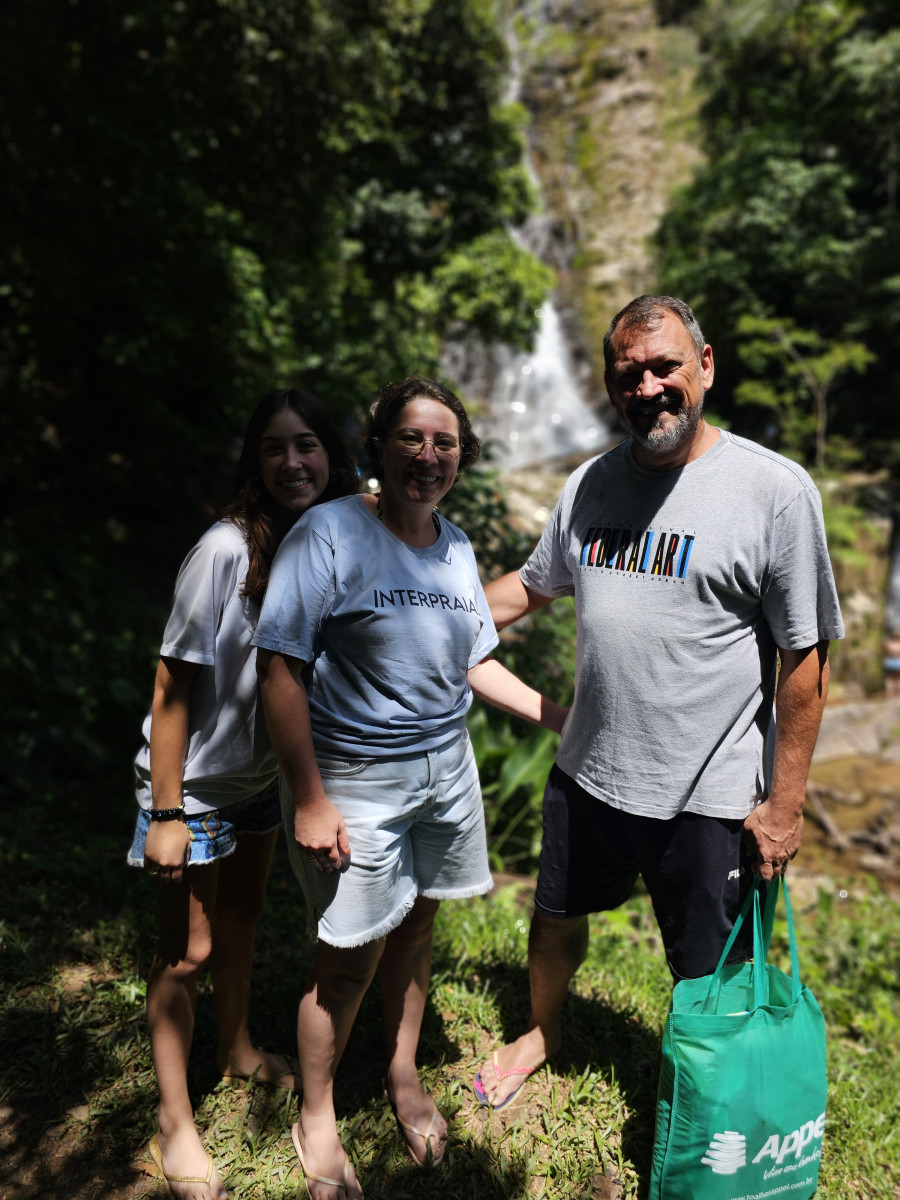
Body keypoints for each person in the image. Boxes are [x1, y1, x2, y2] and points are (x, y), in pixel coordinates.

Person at [473, 295, 844, 1110]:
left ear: (704, 366)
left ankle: (712, 1109)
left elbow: (805, 660)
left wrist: (784, 807)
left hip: (710, 794)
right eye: (627, 374)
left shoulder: (774, 492)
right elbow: (526, 593)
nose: (648, 388)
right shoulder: (590, 485)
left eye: (664, 367)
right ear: (611, 387)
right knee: (555, 917)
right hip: (592, 770)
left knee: (709, 970)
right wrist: (417, 598)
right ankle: (543, 1030)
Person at [253, 376, 568, 1200]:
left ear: (460, 457)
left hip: (445, 773)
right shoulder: (327, 535)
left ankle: (401, 1073)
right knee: (347, 960)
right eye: (413, 439)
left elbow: (472, 661)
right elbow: (280, 669)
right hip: (354, 780)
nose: (429, 457)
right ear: (379, 447)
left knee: (418, 932)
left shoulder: (455, 546)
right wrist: (312, 799)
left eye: (446, 444)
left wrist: (559, 715)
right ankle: (316, 1115)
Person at [129, 389, 358, 1200]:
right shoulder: (225, 550)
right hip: (193, 785)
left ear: (332, 457)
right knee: (185, 953)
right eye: (273, 448)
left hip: (262, 780)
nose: (292, 462)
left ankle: (235, 1049)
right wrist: (164, 814)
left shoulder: (330, 545)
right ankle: (174, 1121)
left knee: (243, 917)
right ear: (253, 463)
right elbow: (172, 684)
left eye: (307, 447)